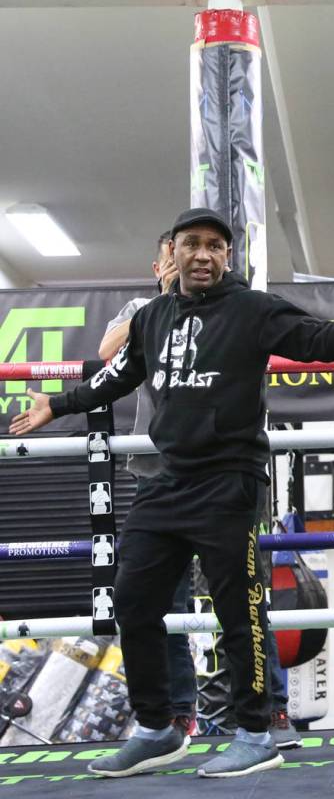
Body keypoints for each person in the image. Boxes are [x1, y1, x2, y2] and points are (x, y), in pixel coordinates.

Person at [10, 207, 334, 779]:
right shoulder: (151, 317)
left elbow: (323, 344)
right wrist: (58, 403)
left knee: (238, 613)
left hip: (227, 482)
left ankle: (256, 732)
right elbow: (115, 376)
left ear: (228, 257)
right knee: (133, 601)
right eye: (192, 244)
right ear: (172, 252)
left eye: (215, 246)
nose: (203, 254)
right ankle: (157, 728)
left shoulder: (253, 309)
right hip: (166, 482)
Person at [99, 231, 198, 740]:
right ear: (159, 265)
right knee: (159, 600)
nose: (182, 266)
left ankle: (269, 711)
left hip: (214, 472)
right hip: (154, 476)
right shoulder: (143, 307)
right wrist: (161, 301)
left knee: (244, 597)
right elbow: (107, 350)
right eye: (172, 260)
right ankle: (173, 713)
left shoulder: (215, 306)